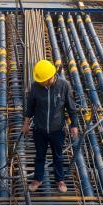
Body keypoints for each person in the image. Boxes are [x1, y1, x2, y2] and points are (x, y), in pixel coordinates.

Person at [23, 60, 79, 193]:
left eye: (42, 80)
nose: (40, 83)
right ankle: (38, 179)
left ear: (50, 77)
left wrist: (74, 125)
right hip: (39, 129)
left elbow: (71, 107)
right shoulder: (36, 87)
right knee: (39, 156)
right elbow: (30, 107)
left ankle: (60, 180)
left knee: (58, 156)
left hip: (57, 130)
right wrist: (26, 124)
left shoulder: (64, 86)